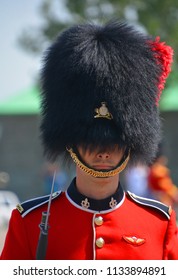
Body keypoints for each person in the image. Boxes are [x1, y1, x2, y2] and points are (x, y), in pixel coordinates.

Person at [1, 20, 178, 260]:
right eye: (92, 142)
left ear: (130, 141)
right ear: (72, 141)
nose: (103, 153)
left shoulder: (158, 222)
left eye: (113, 143)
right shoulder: (29, 221)